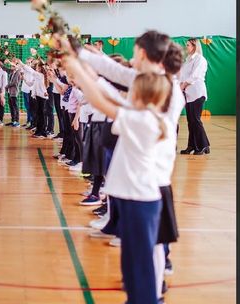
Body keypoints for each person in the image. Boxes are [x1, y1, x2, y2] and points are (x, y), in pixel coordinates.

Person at [65, 54, 173, 304]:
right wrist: (85, 71)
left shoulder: (143, 120)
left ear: (140, 95)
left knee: (140, 264)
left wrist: (77, 69)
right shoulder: (144, 114)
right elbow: (109, 96)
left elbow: (103, 102)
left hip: (140, 199)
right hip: (134, 197)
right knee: (132, 262)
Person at [179, 38, 210, 155]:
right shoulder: (188, 60)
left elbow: (195, 76)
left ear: (194, 46)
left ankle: (201, 147)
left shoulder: (200, 60)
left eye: (188, 45)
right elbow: (181, 76)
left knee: (195, 121)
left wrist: (183, 85)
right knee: (190, 121)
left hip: (197, 93)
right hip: (188, 95)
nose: (186, 47)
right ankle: (193, 146)